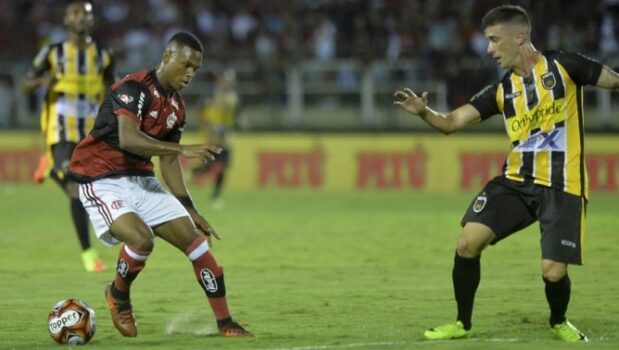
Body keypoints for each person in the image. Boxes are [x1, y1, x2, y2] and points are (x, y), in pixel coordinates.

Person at [394, 4, 619, 343]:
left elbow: (614, 81)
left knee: (553, 272)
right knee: (468, 243)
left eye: (494, 40)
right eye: (488, 41)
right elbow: (452, 122)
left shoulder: (565, 66)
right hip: (515, 182)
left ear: (519, 37)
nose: (489, 49)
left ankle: (558, 320)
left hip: (563, 184)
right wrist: (425, 112)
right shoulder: (502, 90)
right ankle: (461, 323)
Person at [67, 32, 254, 338]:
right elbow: (129, 137)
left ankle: (225, 323)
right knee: (141, 240)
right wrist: (181, 150)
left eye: (196, 69)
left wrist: (190, 207)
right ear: (168, 56)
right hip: (101, 178)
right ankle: (118, 295)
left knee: (197, 243)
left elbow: (167, 163)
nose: (191, 74)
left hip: (142, 179)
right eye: (187, 65)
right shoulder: (133, 88)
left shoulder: (177, 108)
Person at [22, 1, 116, 272]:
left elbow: (115, 87)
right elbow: (26, 83)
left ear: (92, 20)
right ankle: (88, 255)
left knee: (88, 190)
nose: (81, 18)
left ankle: (52, 169)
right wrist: (41, 82)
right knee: (76, 189)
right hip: (60, 132)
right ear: (66, 20)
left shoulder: (104, 55)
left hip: (90, 135)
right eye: (75, 13)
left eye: (86, 13)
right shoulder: (53, 52)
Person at [192, 69, 241, 209]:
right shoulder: (211, 96)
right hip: (212, 139)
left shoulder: (234, 98)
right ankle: (192, 175)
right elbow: (200, 111)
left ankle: (216, 195)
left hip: (226, 140)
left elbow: (236, 115)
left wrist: (239, 123)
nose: (228, 83)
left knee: (224, 167)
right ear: (220, 81)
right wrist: (206, 126)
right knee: (207, 167)